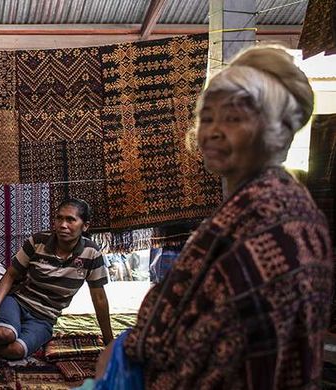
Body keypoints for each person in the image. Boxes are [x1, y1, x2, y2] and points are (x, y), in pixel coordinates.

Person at [88, 46, 333, 389]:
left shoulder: (265, 218)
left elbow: (211, 347)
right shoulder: (278, 205)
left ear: (273, 130)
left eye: (233, 118)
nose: (215, 130)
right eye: (209, 117)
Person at [0, 198, 113, 359]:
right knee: (5, 334)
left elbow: (99, 298)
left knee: (16, 351)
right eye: (59, 218)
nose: (63, 225)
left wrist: (109, 341)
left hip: (45, 318)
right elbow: (10, 274)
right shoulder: (38, 241)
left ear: (85, 226)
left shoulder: (91, 253)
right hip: (17, 302)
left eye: (70, 220)